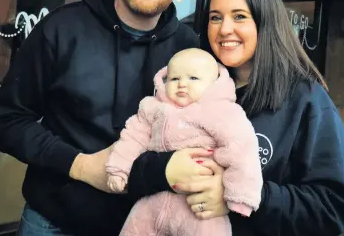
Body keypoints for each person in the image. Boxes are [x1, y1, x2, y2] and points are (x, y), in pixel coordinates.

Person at [0, 0, 201, 236]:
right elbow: (6, 122)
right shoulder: (62, 29)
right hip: (52, 223)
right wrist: (81, 166)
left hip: (142, 227)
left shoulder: (189, 50)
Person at [126, 0, 344, 236]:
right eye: (215, 17)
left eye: (239, 17)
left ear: (265, 21)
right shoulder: (190, 85)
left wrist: (248, 196)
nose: (224, 29)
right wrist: (164, 169)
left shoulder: (307, 100)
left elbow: (330, 210)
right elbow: (136, 158)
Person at [106, 48, 263, 235]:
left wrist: (241, 195)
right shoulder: (153, 108)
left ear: (214, 84)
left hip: (199, 207)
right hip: (153, 200)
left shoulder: (222, 112)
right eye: (174, 79)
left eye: (193, 79)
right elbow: (133, 137)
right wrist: (119, 169)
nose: (182, 84)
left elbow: (241, 149)